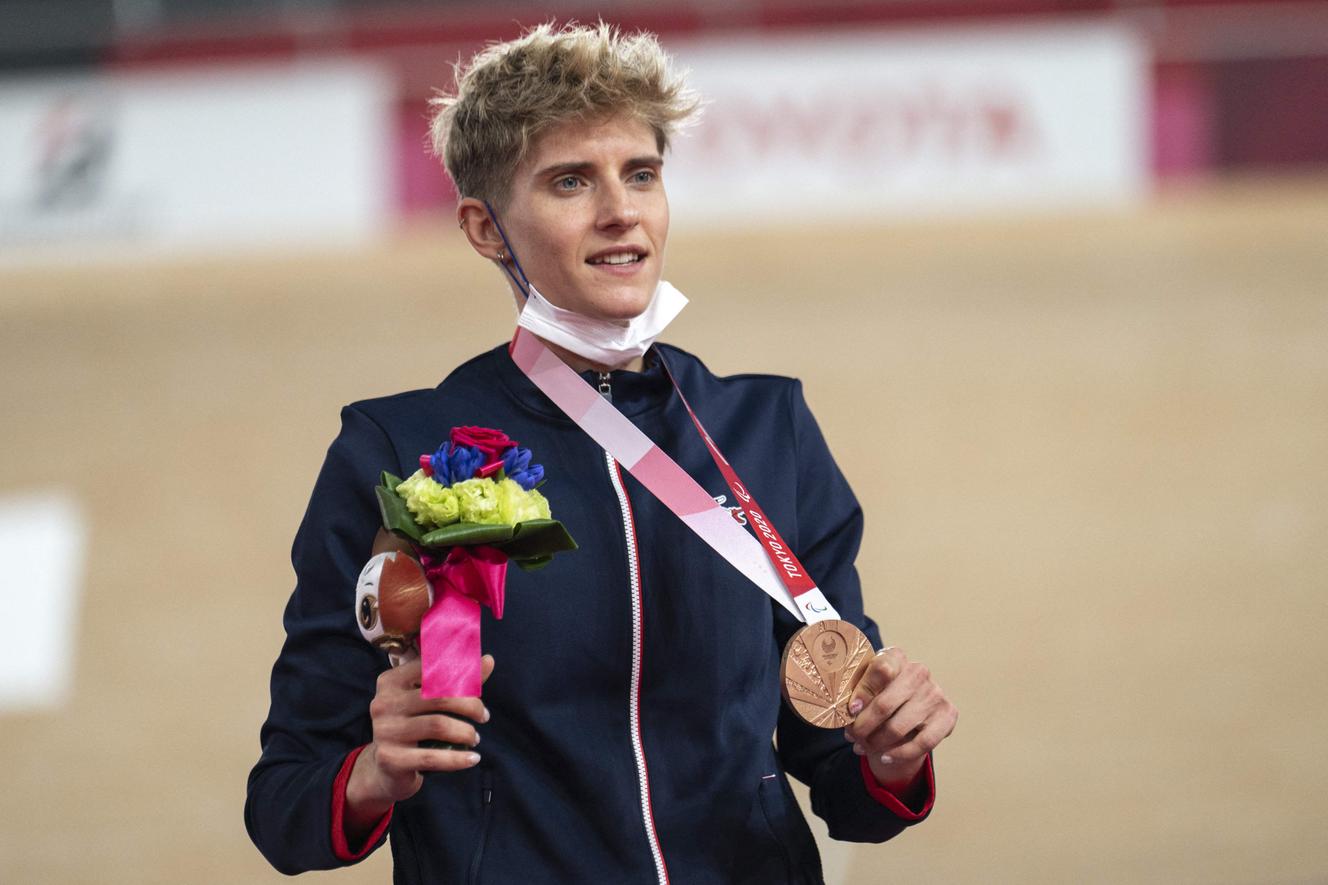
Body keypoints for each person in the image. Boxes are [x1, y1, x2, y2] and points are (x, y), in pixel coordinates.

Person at [245, 23, 957, 885]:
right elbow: (287, 803)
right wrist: (368, 774)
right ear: (484, 226)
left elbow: (837, 758)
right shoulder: (401, 451)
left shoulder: (765, 428)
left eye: (642, 174)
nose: (621, 210)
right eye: (571, 181)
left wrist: (888, 750)